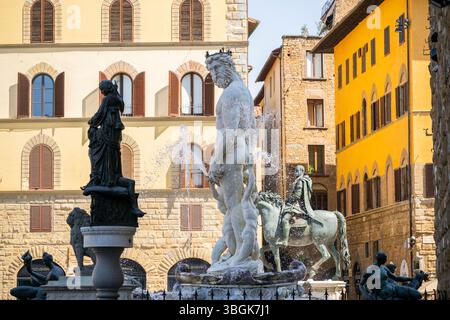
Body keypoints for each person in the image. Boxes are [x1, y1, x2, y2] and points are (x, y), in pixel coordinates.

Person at [81, 80, 144, 217]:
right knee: (114, 150)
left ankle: (132, 206)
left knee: (109, 150)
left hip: (108, 130)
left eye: (102, 89)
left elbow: (99, 114)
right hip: (114, 132)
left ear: (105, 89)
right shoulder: (116, 99)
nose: (101, 92)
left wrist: (91, 123)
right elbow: (121, 104)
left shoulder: (107, 99)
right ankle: (134, 207)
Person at [277, 165, 322, 246]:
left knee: (284, 219)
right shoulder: (298, 180)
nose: (295, 172)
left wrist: (287, 200)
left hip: (297, 205)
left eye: (298, 170)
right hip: (294, 204)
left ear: (302, 172)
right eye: (295, 170)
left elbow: (297, 196)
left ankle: (285, 240)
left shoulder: (300, 181)